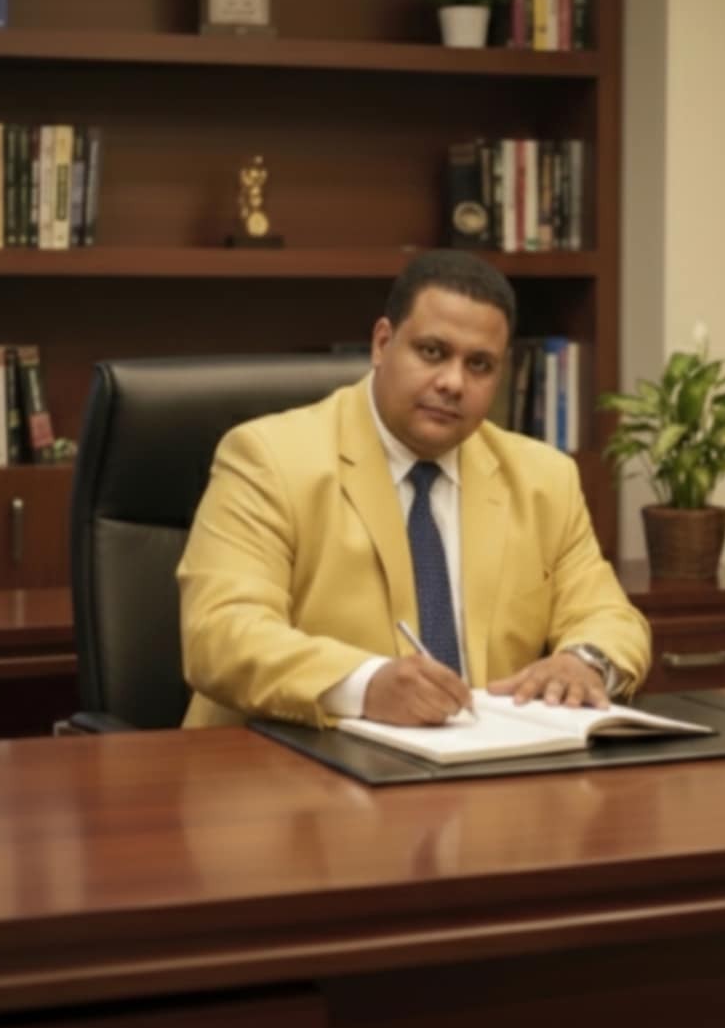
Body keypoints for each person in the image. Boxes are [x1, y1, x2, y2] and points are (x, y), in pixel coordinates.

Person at [178, 249, 651, 729]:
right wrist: (364, 685)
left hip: (486, 759)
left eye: (480, 365)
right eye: (432, 352)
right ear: (382, 343)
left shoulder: (544, 479)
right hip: (290, 757)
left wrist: (583, 662)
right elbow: (219, 634)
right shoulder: (268, 458)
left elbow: (611, 617)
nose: (453, 383)